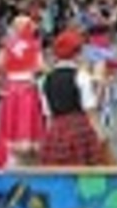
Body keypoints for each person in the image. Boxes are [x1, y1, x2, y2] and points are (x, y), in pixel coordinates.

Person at [38, 28, 106, 166]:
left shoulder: (46, 79)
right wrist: (101, 136)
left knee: (58, 176)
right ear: (76, 53)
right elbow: (91, 112)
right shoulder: (81, 77)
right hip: (79, 130)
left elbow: (48, 114)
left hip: (56, 131)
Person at [0, 15, 46, 166]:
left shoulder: (7, 46)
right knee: (28, 122)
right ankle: (29, 159)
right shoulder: (34, 45)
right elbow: (41, 67)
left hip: (10, 90)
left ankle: (11, 160)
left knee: (10, 124)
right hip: (28, 89)